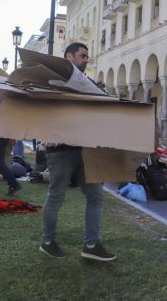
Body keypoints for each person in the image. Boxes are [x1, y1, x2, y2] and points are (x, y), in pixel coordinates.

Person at [40, 42, 116, 261]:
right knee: (56, 196)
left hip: (86, 150)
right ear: (69, 56)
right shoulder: (54, 81)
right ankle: (48, 242)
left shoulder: (88, 83)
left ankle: (91, 245)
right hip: (61, 150)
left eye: (87, 57)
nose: (86, 60)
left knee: (95, 196)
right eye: (83, 56)